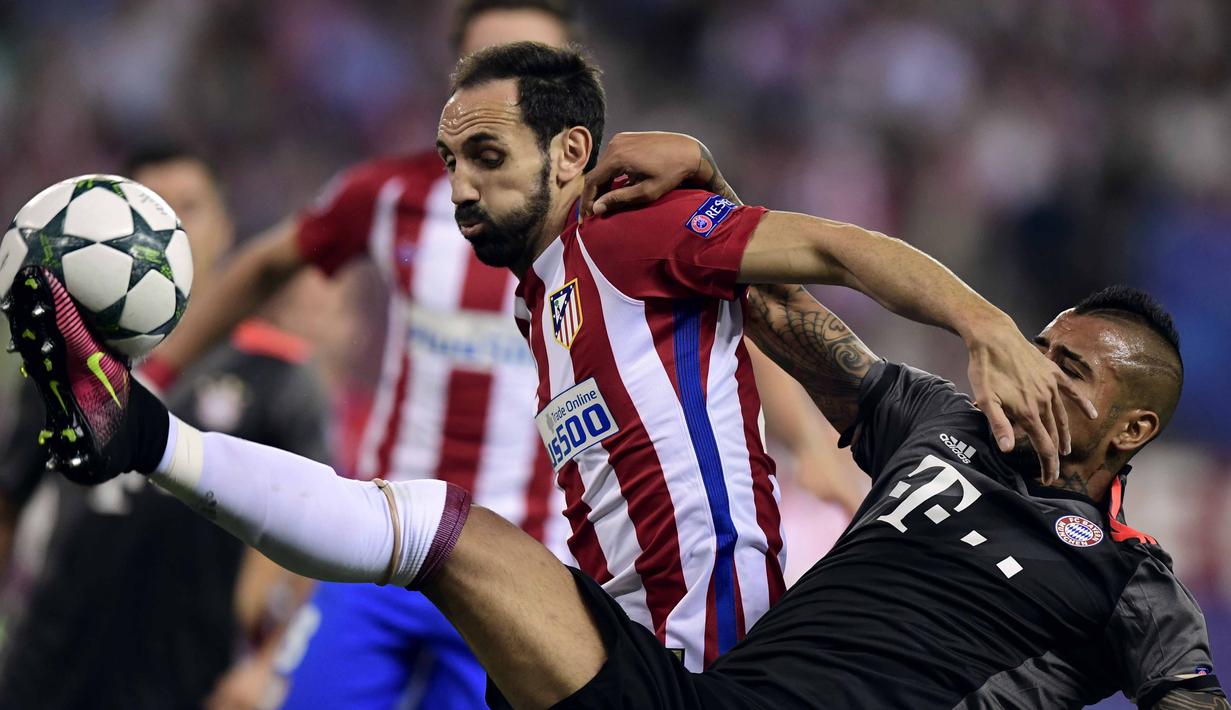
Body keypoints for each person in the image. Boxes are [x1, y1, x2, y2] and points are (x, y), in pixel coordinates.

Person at [2, 37, 1092, 689]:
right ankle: (141, 433)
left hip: (708, 660)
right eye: (448, 162)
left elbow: (832, 247)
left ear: (570, 153)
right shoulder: (544, 293)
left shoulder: (627, 234)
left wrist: (983, 323)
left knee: (434, 530)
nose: (461, 188)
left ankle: (141, 435)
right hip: (610, 644)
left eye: (486, 157)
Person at [146, 1, 858, 698]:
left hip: (526, 567)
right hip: (385, 538)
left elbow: (716, 318)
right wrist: (158, 370)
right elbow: (268, 265)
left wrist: (806, 442)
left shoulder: (613, 218)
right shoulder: (390, 195)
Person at [0, 149, 331, 710]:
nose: (151, 233)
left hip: (189, 680)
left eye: (187, 208)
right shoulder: (60, 360)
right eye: (140, 210)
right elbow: (7, 503)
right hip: (46, 669)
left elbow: (309, 539)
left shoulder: (278, 378)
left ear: (226, 229)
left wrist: (264, 665)